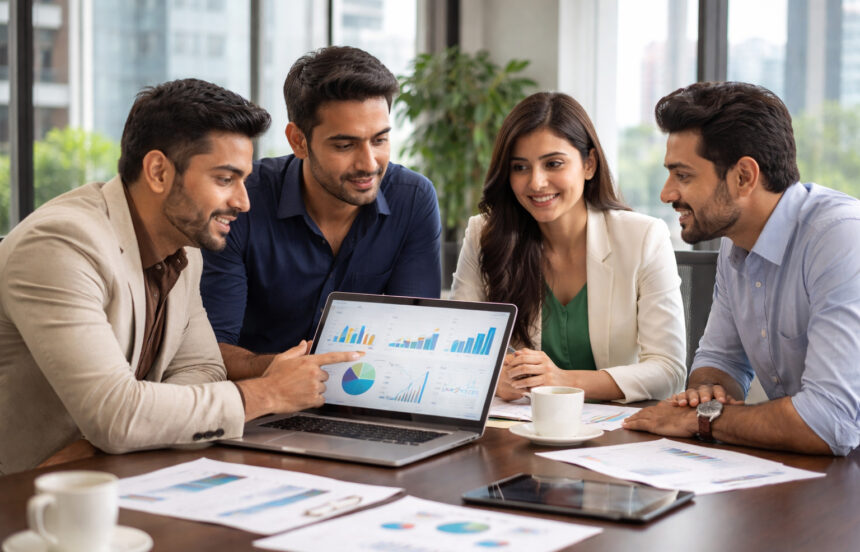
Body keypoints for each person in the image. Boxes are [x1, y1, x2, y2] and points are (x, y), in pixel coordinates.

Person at [0, 79, 362, 475]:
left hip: (112, 476)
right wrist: (268, 392)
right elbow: (116, 417)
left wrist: (134, 426)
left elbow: (204, 369)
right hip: (24, 495)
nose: (243, 202)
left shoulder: (184, 248)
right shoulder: (61, 245)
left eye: (243, 179)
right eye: (225, 179)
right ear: (158, 171)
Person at [623, 81, 860, 456]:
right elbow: (719, 363)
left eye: (683, 175)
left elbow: (830, 421)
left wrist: (701, 421)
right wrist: (709, 395)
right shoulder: (736, 243)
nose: (666, 194)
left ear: (744, 176)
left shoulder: (842, 238)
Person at [201, 46, 442, 381]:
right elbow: (211, 350)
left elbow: (417, 337)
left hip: (362, 400)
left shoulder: (412, 199)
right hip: (256, 405)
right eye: (345, 146)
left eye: (380, 140)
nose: (369, 164)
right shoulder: (242, 202)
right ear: (298, 141)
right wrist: (290, 372)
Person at [450, 92, 686, 403]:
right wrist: (494, 379)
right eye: (520, 167)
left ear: (589, 164)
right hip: (518, 429)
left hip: (615, 435)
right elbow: (455, 351)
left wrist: (562, 381)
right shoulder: (485, 233)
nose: (536, 182)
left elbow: (668, 371)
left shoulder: (644, 237)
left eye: (553, 163)